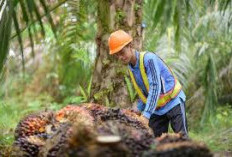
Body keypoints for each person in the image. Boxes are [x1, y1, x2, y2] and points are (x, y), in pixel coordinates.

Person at [108, 30, 188, 137]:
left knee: (182, 140)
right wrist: (139, 108)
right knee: (154, 143)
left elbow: (155, 87)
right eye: (117, 55)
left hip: (173, 102)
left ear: (130, 46)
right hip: (157, 109)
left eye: (122, 53)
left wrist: (146, 115)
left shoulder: (149, 59)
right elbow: (145, 91)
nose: (120, 57)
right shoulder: (131, 68)